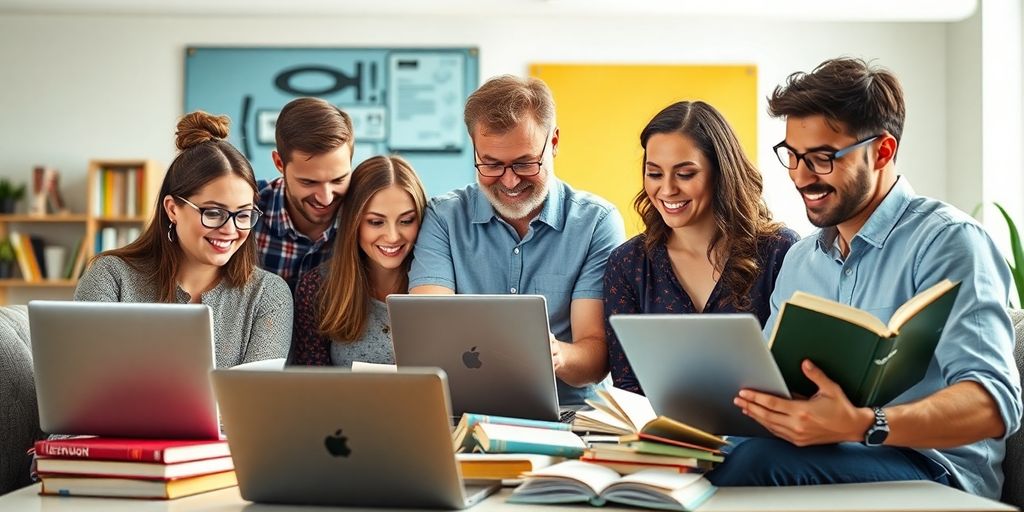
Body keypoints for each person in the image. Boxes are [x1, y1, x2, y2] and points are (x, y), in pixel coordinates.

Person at [707, 57, 1022, 500]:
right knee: (705, 457)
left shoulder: (949, 242)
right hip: (827, 451)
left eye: (820, 159)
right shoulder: (800, 259)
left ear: (883, 151)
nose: (801, 176)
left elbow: (994, 404)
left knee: (751, 466)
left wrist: (864, 424)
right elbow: (776, 381)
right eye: (792, 156)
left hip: (933, 469)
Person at [409, 75, 626, 406]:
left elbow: (596, 356)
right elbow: (427, 332)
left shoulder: (596, 222)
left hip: (569, 414)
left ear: (553, 142)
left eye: (525, 163)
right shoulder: (443, 217)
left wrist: (557, 355)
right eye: (492, 164)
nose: (509, 181)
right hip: (467, 410)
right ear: (474, 147)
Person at [603, 101, 799, 394]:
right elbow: (627, 385)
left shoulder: (780, 251)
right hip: (662, 434)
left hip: (759, 434)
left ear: (721, 173)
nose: (667, 189)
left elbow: (795, 376)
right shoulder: (628, 263)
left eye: (685, 174)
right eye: (654, 173)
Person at [75, 111, 293, 368]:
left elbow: (256, 400)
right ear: (172, 209)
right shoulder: (111, 277)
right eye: (213, 212)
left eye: (243, 214)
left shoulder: (268, 294)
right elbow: (83, 380)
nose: (230, 228)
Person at [289, 155, 427, 366]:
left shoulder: (440, 283)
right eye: (376, 222)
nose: (393, 236)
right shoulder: (317, 288)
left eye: (406, 220)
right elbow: (312, 387)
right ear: (354, 222)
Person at [253, 97, 355, 290]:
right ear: (279, 163)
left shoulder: (367, 217)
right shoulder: (246, 212)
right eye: (309, 182)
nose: (326, 198)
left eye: (338, 180)